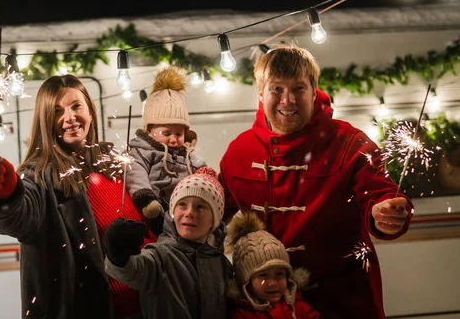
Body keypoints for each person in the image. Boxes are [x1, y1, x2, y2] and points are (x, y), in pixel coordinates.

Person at [218, 44, 413, 319]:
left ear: (314, 91)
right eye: (277, 89)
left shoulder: (350, 143)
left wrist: (385, 213)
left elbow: (381, 195)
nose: (288, 101)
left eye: (298, 88)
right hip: (271, 306)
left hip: (344, 301)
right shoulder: (239, 153)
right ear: (261, 94)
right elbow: (210, 213)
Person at [0, 75, 156, 319]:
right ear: (45, 121)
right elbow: (20, 218)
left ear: (90, 112)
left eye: (76, 106)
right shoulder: (40, 175)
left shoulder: (114, 161)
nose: (69, 117)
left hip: (147, 308)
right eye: (57, 111)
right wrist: (6, 194)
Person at [103, 167, 232, 319]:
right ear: (172, 210)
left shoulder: (222, 264)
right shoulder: (160, 257)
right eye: (182, 204)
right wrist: (118, 255)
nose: (189, 213)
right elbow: (133, 270)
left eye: (200, 207)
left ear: (215, 219)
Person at [127, 65, 206, 236]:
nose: (173, 139)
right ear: (150, 130)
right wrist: (146, 198)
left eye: (179, 133)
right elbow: (136, 172)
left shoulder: (187, 155)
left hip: (185, 209)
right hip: (157, 208)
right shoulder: (143, 150)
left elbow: (199, 169)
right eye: (166, 133)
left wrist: (206, 176)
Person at [226, 212, 322, 319]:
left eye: (279, 274)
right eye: (263, 276)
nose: (273, 283)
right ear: (246, 281)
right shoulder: (241, 315)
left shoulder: (297, 305)